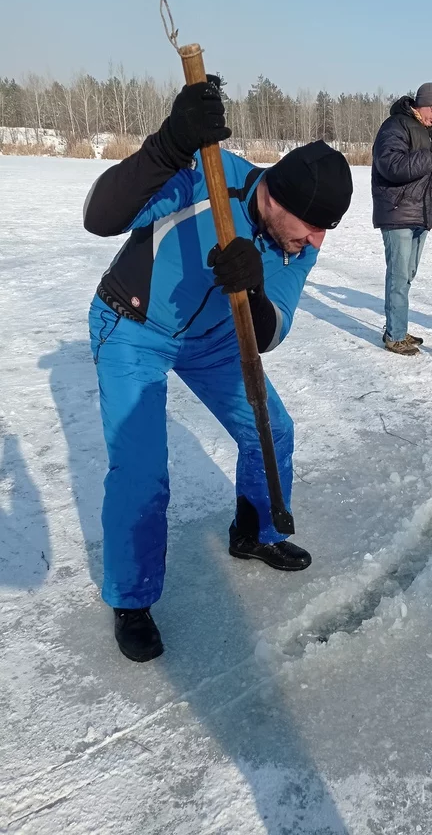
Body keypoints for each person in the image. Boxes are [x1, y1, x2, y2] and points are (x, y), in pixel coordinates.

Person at [83, 76, 353, 661]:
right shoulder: (208, 175)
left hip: (212, 341)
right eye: (312, 225)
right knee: (142, 470)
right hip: (133, 327)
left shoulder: (294, 246)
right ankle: (132, 601)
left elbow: (269, 331)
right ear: (277, 199)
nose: (318, 241)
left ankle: (255, 532)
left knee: (272, 428)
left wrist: (253, 290)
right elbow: (99, 216)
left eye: (326, 228)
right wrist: (169, 146)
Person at [371, 82, 432, 355]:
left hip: (421, 214)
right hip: (397, 213)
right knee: (398, 277)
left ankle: (398, 328)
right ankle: (394, 335)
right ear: (421, 104)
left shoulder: (431, 134)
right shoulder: (394, 127)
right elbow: (392, 166)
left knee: (407, 275)